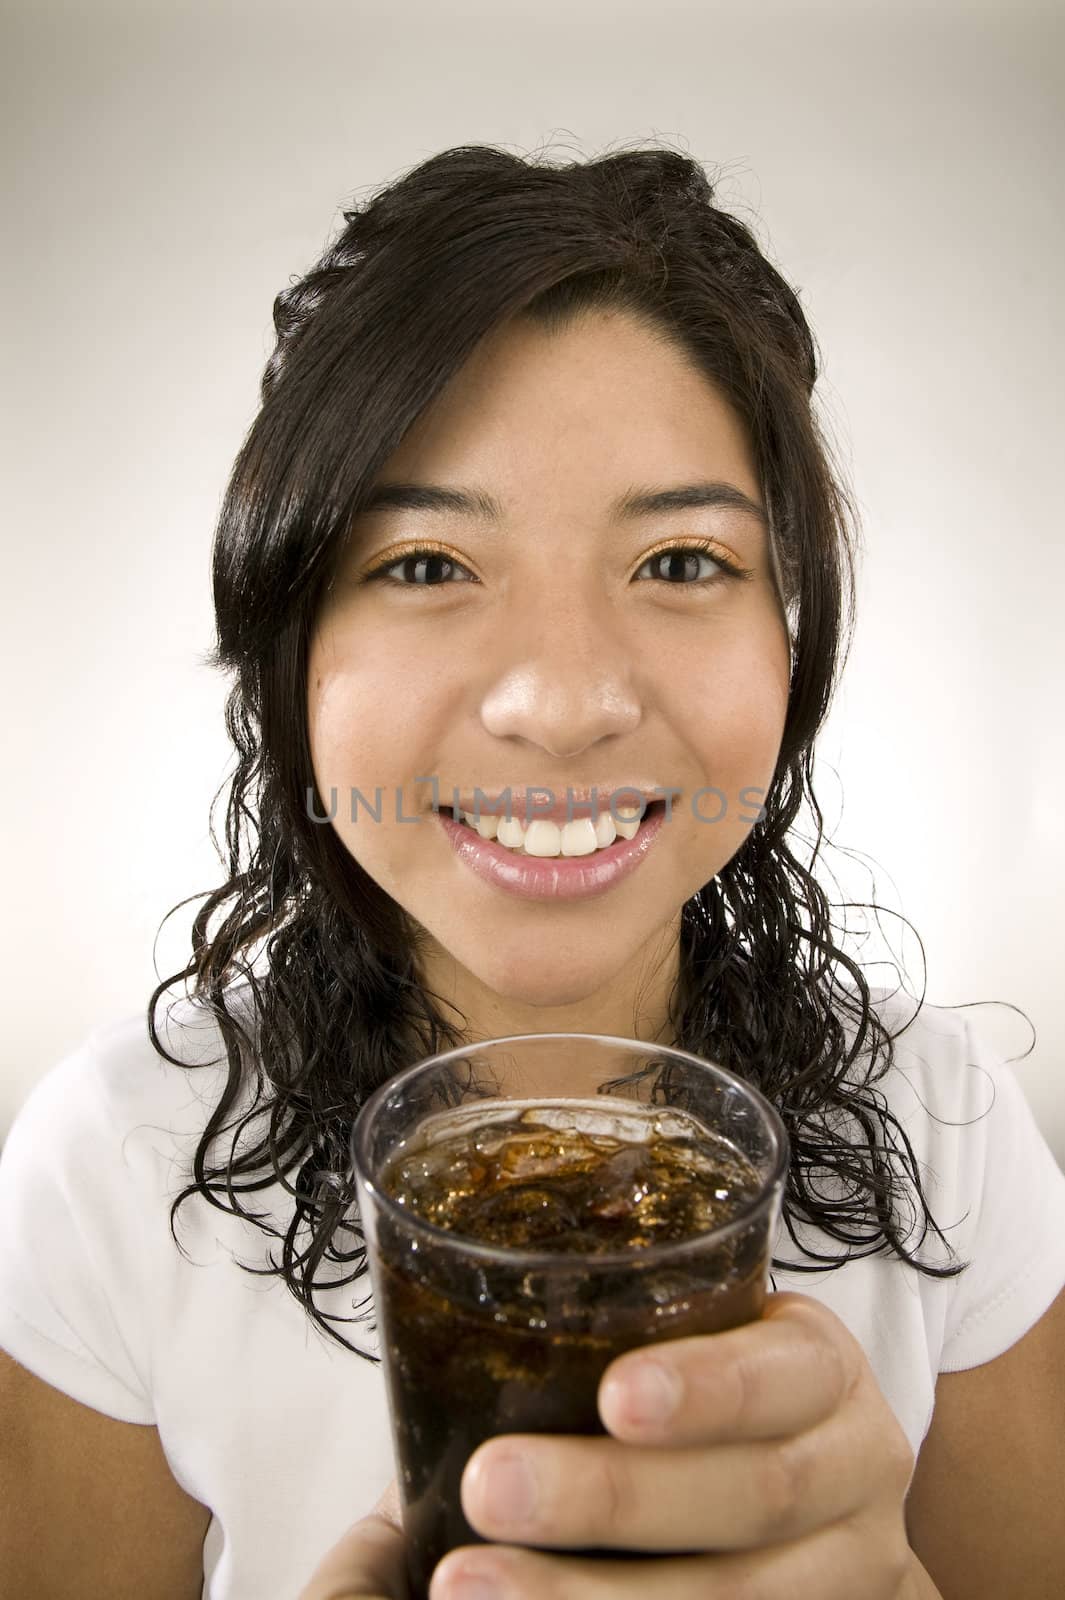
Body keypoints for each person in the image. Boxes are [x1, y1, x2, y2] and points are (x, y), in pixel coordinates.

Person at [1, 141, 1063, 1600]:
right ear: (288, 643)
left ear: (792, 638)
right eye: (426, 564)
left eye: (681, 562)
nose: (561, 704)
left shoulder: (947, 1127)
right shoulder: (113, 1167)